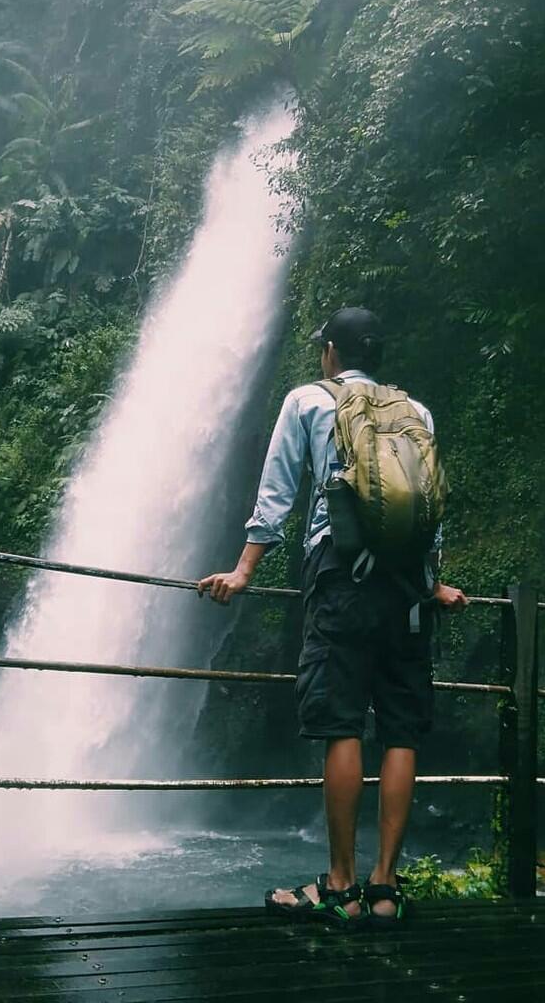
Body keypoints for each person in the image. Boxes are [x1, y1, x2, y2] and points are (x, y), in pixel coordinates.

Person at [197, 306, 468, 928]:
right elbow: (430, 509)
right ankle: (384, 888)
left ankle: (341, 884)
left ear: (329, 353)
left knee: (343, 722)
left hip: (341, 577)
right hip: (405, 589)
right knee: (401, 728)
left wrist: (243, 572)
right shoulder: (416, 414)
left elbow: (277, 492)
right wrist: (430, 584)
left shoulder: (307, 401)